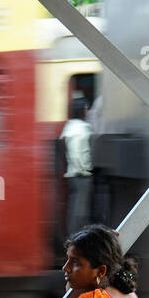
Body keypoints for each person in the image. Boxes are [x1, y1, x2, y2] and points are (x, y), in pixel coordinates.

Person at [62, 96, 93, 238]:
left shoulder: (71, 126)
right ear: (81, 110)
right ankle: (76, 239)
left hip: (74, 175)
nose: (87, 112)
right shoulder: (79, 128)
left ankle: (76, 238)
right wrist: (82, 169)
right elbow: (75, 152)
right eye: (86, 109)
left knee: (76, 209)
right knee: (80, 211)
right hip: (80, 175)